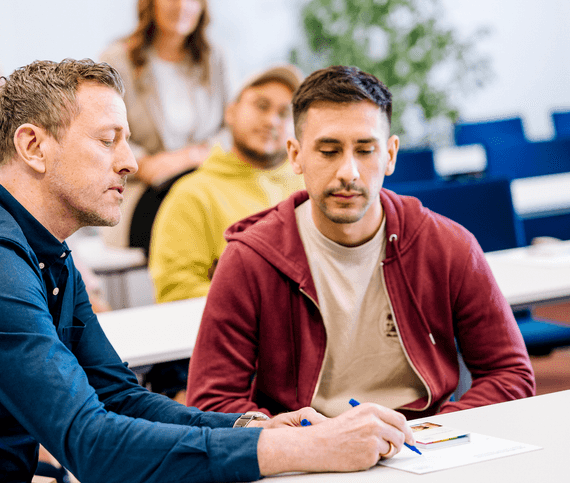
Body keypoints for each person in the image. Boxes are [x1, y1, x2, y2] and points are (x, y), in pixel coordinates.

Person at [0, 59, 416, 482]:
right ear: (33, 147)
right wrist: (303, 450)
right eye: (108, 140)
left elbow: (117, 396)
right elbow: (91, 446)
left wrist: (251, 429)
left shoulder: (43, 251)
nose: (131, 162)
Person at [187, 65, 535, 419]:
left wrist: (437, 432)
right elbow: (212, 402)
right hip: (304, 444)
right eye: (328, 151)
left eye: (365, 150)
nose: (348, 173)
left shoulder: (447, 246)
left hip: (424, 437)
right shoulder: (250, 259)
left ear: (390, 155)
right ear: (295, 155)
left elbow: (510, 374)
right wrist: (297, 439)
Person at [149, 64, 305, 304]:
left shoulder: (310, 189)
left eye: (284, 113)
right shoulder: (192, 195)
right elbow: (176, 293)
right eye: (261, 105)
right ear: (231, 112)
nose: (272, 120)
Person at [100, 0, 232, 249]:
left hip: (207, 183)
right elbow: (102, 131)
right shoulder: (118, 59)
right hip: (145, 190)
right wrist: (144, 164)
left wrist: (192, 156)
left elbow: (232, 128)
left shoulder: (214, 59)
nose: (183, 4)